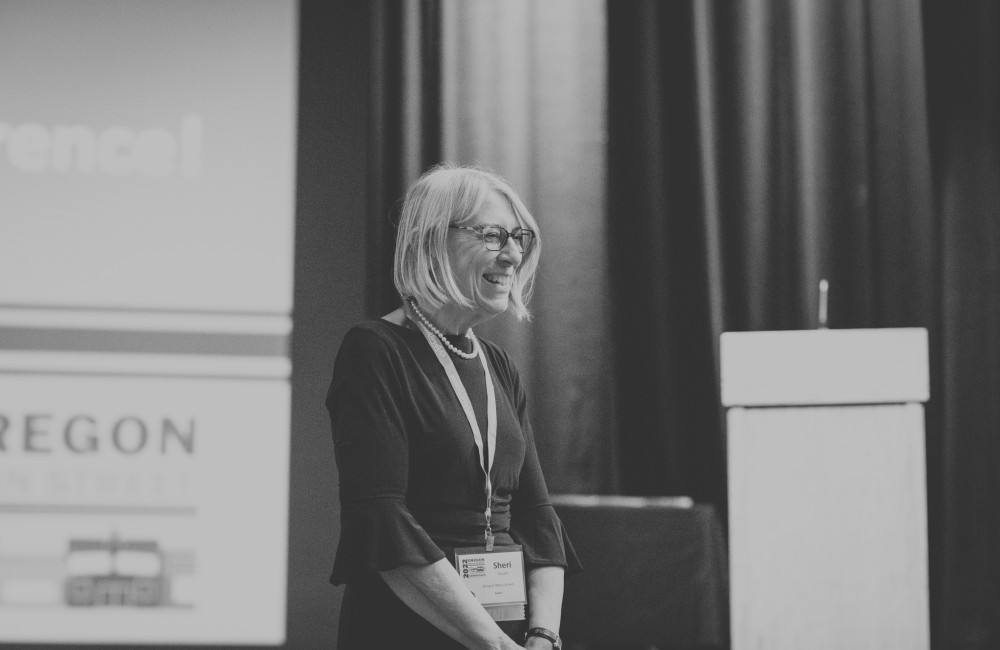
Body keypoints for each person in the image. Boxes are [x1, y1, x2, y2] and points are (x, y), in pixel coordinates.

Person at [326, 163, 581, 649]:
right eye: (493, 235)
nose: (513, 254)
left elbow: (537, 517)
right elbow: (382, 523)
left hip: (506, 636)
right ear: (431, 241)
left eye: (519, 237)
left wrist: (543, 635)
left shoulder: (498, 364)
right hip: (408, 632)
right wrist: (494, 644)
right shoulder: (375, 350)